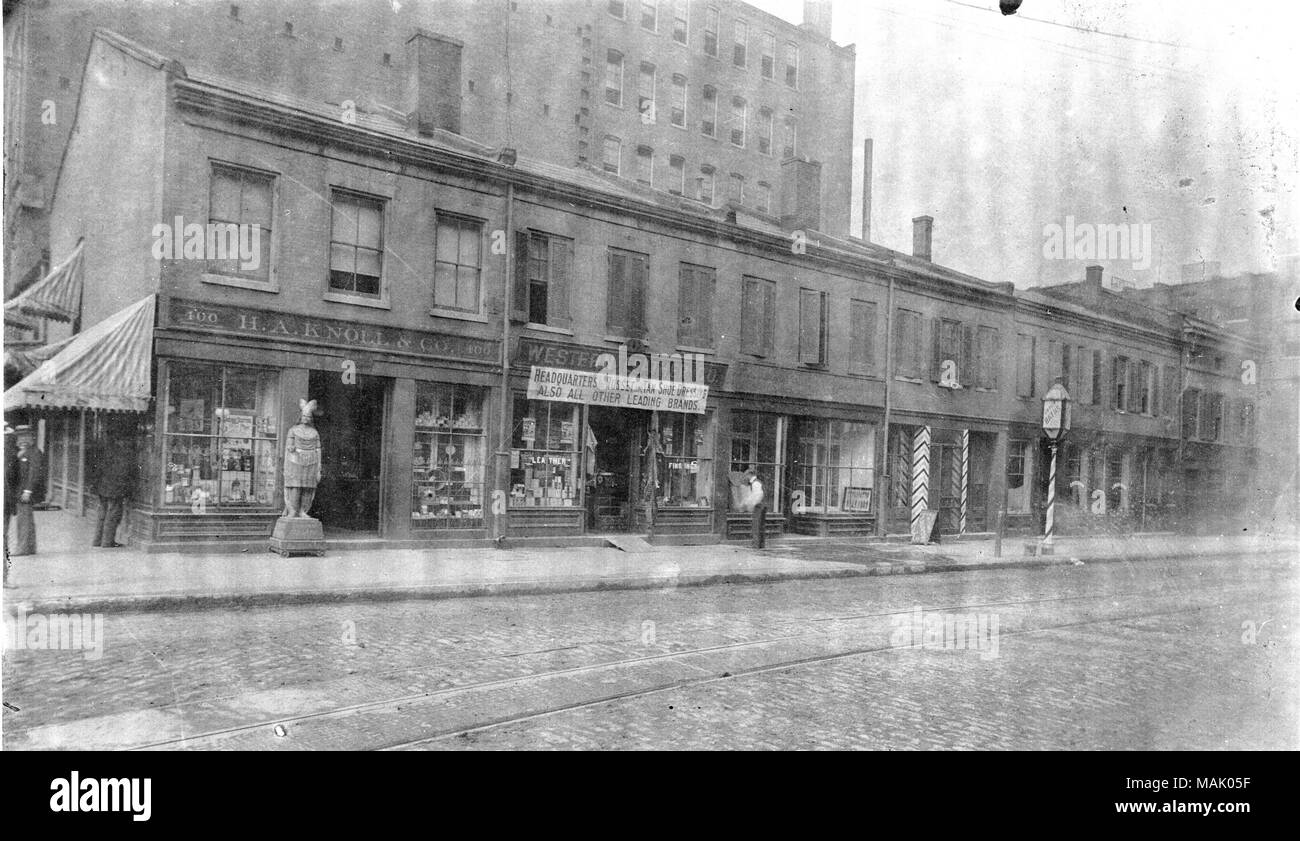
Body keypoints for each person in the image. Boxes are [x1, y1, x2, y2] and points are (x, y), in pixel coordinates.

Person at [90, 419, 137, 548]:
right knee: (113, 515)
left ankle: (97, 541)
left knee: (102, 514)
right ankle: (107, 542)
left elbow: (97, 469)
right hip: (115, 488)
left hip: (102, 487)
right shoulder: (123, 452)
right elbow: (124, 471)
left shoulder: (106, 450)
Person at [9, 425, 46, 557]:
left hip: (25, 491)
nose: (22, 439)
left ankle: (23, 548)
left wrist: (28, 490)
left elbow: (34, 473)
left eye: (26, 436)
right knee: (25, 519)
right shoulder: (20, 452)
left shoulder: (35, 452)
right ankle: (29, 547)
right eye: (20, 436)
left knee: (24, 520)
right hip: (20, 490)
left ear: (31, 437)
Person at [283, 398, 321, 518]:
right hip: (295, 461)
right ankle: (293, 510)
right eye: (304, 416)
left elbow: (318, 449)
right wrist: (291, 448)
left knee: (307, 487)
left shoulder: (315, 432)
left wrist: (319, 466)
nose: (306, 418)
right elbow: (289, 445)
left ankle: (303, 511)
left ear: (311, 418)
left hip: (312, 461)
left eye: (308, 417)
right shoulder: (293, 430)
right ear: (301, 417)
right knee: (296, 486)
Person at [742, 467, 767, 549]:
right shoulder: (757, 482)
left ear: (750, 475)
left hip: (758, 506)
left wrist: (751, 504)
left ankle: (756, 544)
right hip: (761, 506)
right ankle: (760, 545)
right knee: (760, 525)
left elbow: (758, 495)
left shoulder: (755, 483)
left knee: (756, 525)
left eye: (746, 475)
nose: (746, 477)